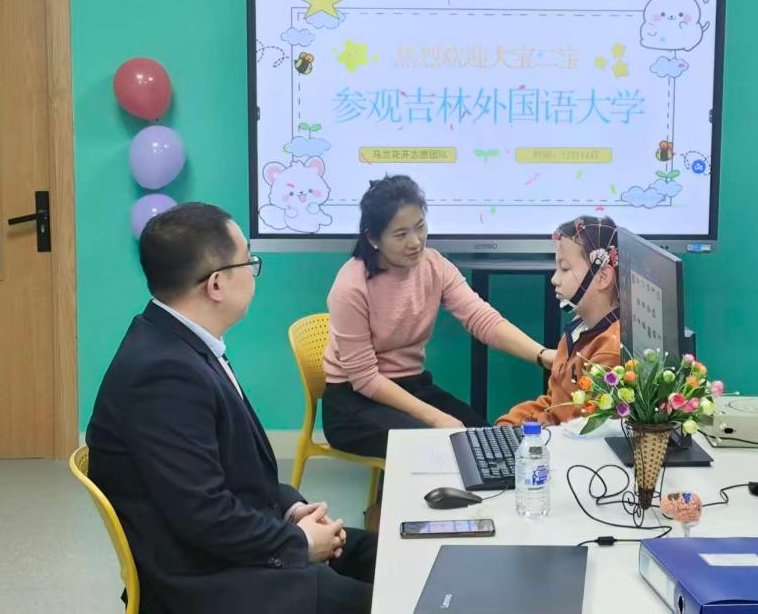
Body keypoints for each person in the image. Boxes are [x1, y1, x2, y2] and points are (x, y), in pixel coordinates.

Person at [86, 203, 375, 614]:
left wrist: (292, 510)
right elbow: (204, 514)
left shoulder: (179, 342)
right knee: (389, 599)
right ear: (217, 284)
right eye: (249, 262)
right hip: (203, 582)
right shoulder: (163, 374)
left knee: (386, 554)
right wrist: (299, 543)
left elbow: (235, 474)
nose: (253, 273)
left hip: (230, 547)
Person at [321, 175, 556, 459]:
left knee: (485, 440)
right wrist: (435, 419)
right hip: (353, 402)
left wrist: (542, 355)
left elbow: (483, 319)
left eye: (420, 227)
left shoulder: (434, 265)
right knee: (439, 447)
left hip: (412, 386)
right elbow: (364, 378)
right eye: (400, 235)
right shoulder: (351, 286)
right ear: (373, 239)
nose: (415, 242)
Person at [497, 216, 621, 427]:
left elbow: (579, 427)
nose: (554, 279)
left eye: (564, 268)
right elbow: (555, 404)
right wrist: (510, 423)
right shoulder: (578, 329)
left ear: (602, 277)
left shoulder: (609, 352)